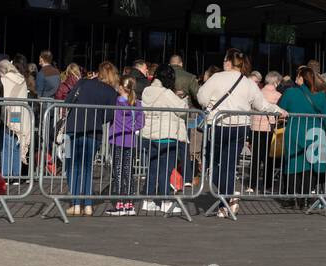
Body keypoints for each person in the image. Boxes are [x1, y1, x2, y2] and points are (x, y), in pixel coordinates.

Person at [196, 49, 282, 217]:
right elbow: (262, 105)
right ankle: (226, 202)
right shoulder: (249, 83)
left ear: (228, 62)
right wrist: (279, 110)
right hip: (240, 127)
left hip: (218, 125)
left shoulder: (217, 78)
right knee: (228, 167)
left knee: (211, 166)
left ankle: (227, 198)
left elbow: (201, 98)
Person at [64, 61, 123, 216]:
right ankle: (88, 204)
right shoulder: (111, 92)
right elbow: (108, 116)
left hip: (72, 129)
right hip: (94, 132)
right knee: (87, 168)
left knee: (72, 166)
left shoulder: (83, 82)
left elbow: (68, 101)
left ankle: (76, 203)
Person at [139, 65, 189, 213]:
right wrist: (182, 98)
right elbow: (183, 110)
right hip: (166, 135)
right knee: (166, 169)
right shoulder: (167, 93)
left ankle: (148, 200)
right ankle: (165, 200)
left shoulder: (147, 91)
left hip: (150, 135)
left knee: (153, 168)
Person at [278, 66, 326, 198]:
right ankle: (306, 196)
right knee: (310, 166)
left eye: (297, 76)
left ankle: (291, 196)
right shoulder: (321, 95)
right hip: (315, 133)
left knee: (294, 163)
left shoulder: (290, 93)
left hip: (295, 131)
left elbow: (280, 109)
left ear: (302, 78)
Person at [105, 76, 145, 215]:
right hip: (130, 140)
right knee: (128, 171)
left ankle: (121, 204)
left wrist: (125, 128)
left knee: (119, 170)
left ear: (121, 87)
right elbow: (141, 122)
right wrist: (132, 128)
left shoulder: (117, 102)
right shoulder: (137, 103)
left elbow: (114, 118)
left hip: (117, 139)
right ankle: (129, 204)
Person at [246, 71, 285, 193]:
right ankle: (267, 185)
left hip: (255, 127)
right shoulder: (278, 95)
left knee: (256, 158)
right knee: (269, 158)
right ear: (276, 82)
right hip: (269, 129)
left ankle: (252, 185)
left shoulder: (258, 93)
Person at [0, 58, 32, 177]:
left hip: (9, 112)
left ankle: (6, 174)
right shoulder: (21, 78)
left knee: (7, 143)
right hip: (20, 112)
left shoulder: (5, 79)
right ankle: (17, 174)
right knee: (17, 142)